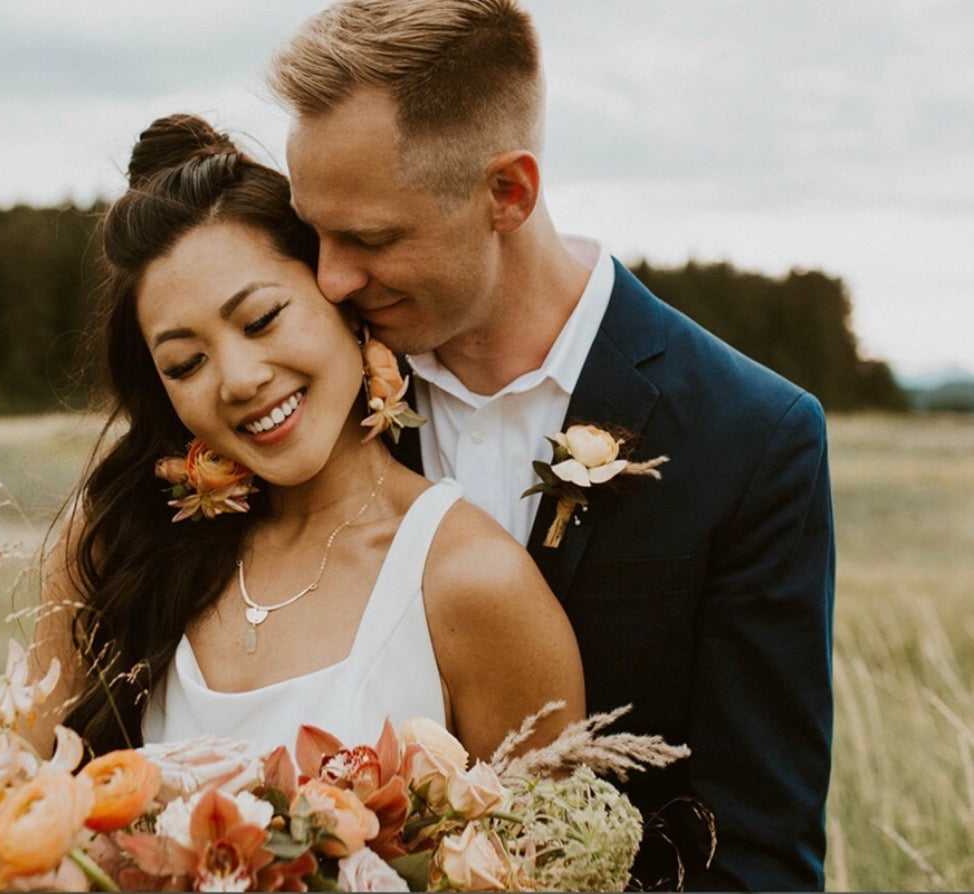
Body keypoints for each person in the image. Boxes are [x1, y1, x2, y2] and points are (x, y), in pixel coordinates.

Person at [268, 0, 835, 889]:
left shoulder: (752, 439)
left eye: (371, 238)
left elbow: (760, 848)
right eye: (315, 233)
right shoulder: (302, 397)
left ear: (508, 192)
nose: (331, 276)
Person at [29, 114, 585, 769]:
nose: (238, 380)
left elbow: (555, 865)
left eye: (261, 320)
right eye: (186, 363)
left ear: (342, 299)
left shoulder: (472, 582)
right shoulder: (114, 545)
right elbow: (14, 825)